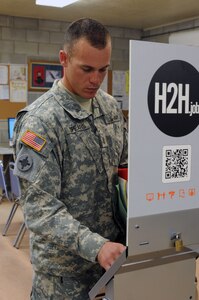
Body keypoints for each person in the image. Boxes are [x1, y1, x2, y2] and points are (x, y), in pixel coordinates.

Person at [13, 17, 128, 299]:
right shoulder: (40, 121)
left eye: (103, 69)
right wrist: (96, 246)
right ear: (63, 59)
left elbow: (124, 169)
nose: (96, 79)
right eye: (87, 69)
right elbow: (40, 209)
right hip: (64, 277)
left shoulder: (110, 107)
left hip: (112, 264)